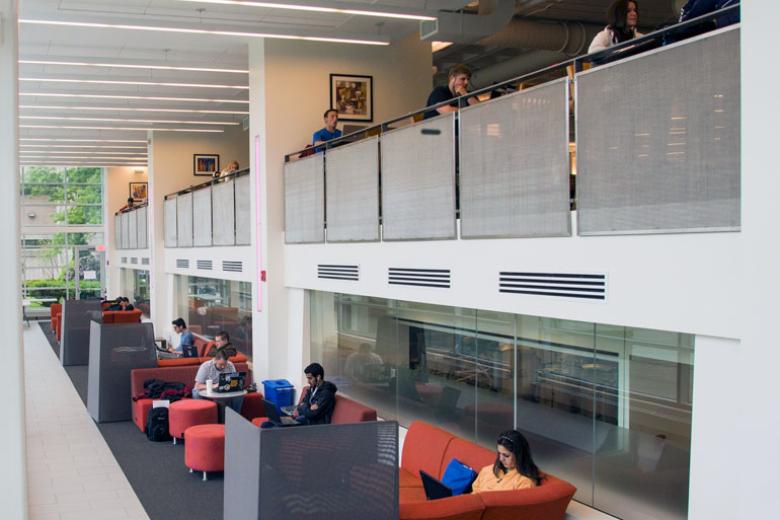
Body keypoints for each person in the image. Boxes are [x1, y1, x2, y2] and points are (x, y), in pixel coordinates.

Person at [471, 430, 543, 493]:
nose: (501, 459)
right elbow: (473, 494)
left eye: (506, 455)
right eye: (499, 453)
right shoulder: (487, 470)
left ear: (519, 455)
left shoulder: (525, 482)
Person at [193, 349, 244, 413]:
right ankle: (202, 416)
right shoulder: (205, 366)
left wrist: (237, 384)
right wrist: (214, 386)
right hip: (207, 388)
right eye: (221, 364)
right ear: (215, 360)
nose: (223, 367)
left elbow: (234, 380)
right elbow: (197, 386)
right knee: (196, 393)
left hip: (224, 388)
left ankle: (235, 416)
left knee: (239, 395)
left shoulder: (230, 365)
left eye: (225, 364)